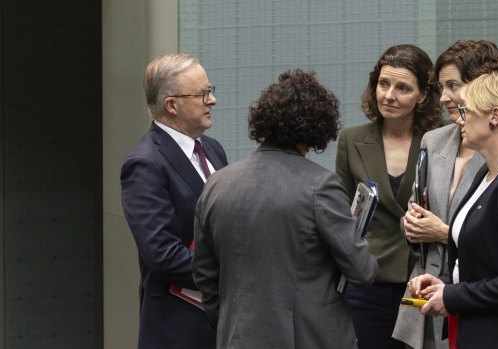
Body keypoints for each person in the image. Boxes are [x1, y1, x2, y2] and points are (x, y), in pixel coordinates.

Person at [192, 69, 378, 349]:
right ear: (318, 127)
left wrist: (230, 323)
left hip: (236, 338)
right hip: (310, 337)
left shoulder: (217, 184)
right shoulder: (320, 186)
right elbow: (362, 271)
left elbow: (204, 274)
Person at [392, 40, 498, 349]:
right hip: (440, 298)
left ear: (492, 111)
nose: (447, 102)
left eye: (455, 88)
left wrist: (443, 234)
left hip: (490, 320)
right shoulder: (477, 166)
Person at [336, 44, 443, 349]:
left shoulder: (442, 141)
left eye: (403, 88)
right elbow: (342, 214)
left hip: (421, 279)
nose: (389, 95)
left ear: (423, 95)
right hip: (369, 280)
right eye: (383, 84)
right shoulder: (351, 139)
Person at [121, 53, 228, 349]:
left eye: (211, 90)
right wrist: (232, 271)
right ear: (172, 105)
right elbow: (162, 255)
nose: (212, 100)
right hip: (179, 328)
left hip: (222, 323)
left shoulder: (214, 149)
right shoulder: (144, 164)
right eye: (203, 93)